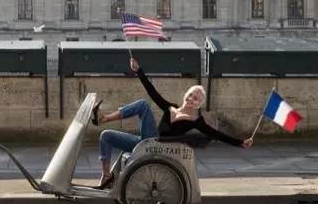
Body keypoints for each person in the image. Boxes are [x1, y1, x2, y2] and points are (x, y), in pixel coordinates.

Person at [91, 57, 253, 189]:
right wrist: (139, 71)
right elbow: (153, 93)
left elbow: (215, 134)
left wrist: (240, 142)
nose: (191, 99)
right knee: (105, 136)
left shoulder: (195, 121)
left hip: (158, 147)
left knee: (142, 105)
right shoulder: (171, 109)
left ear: (199, 104)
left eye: (195, 98)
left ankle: (103, 119)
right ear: (186, 96)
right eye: (190, 95)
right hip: (145, 143)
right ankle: (106, 177)